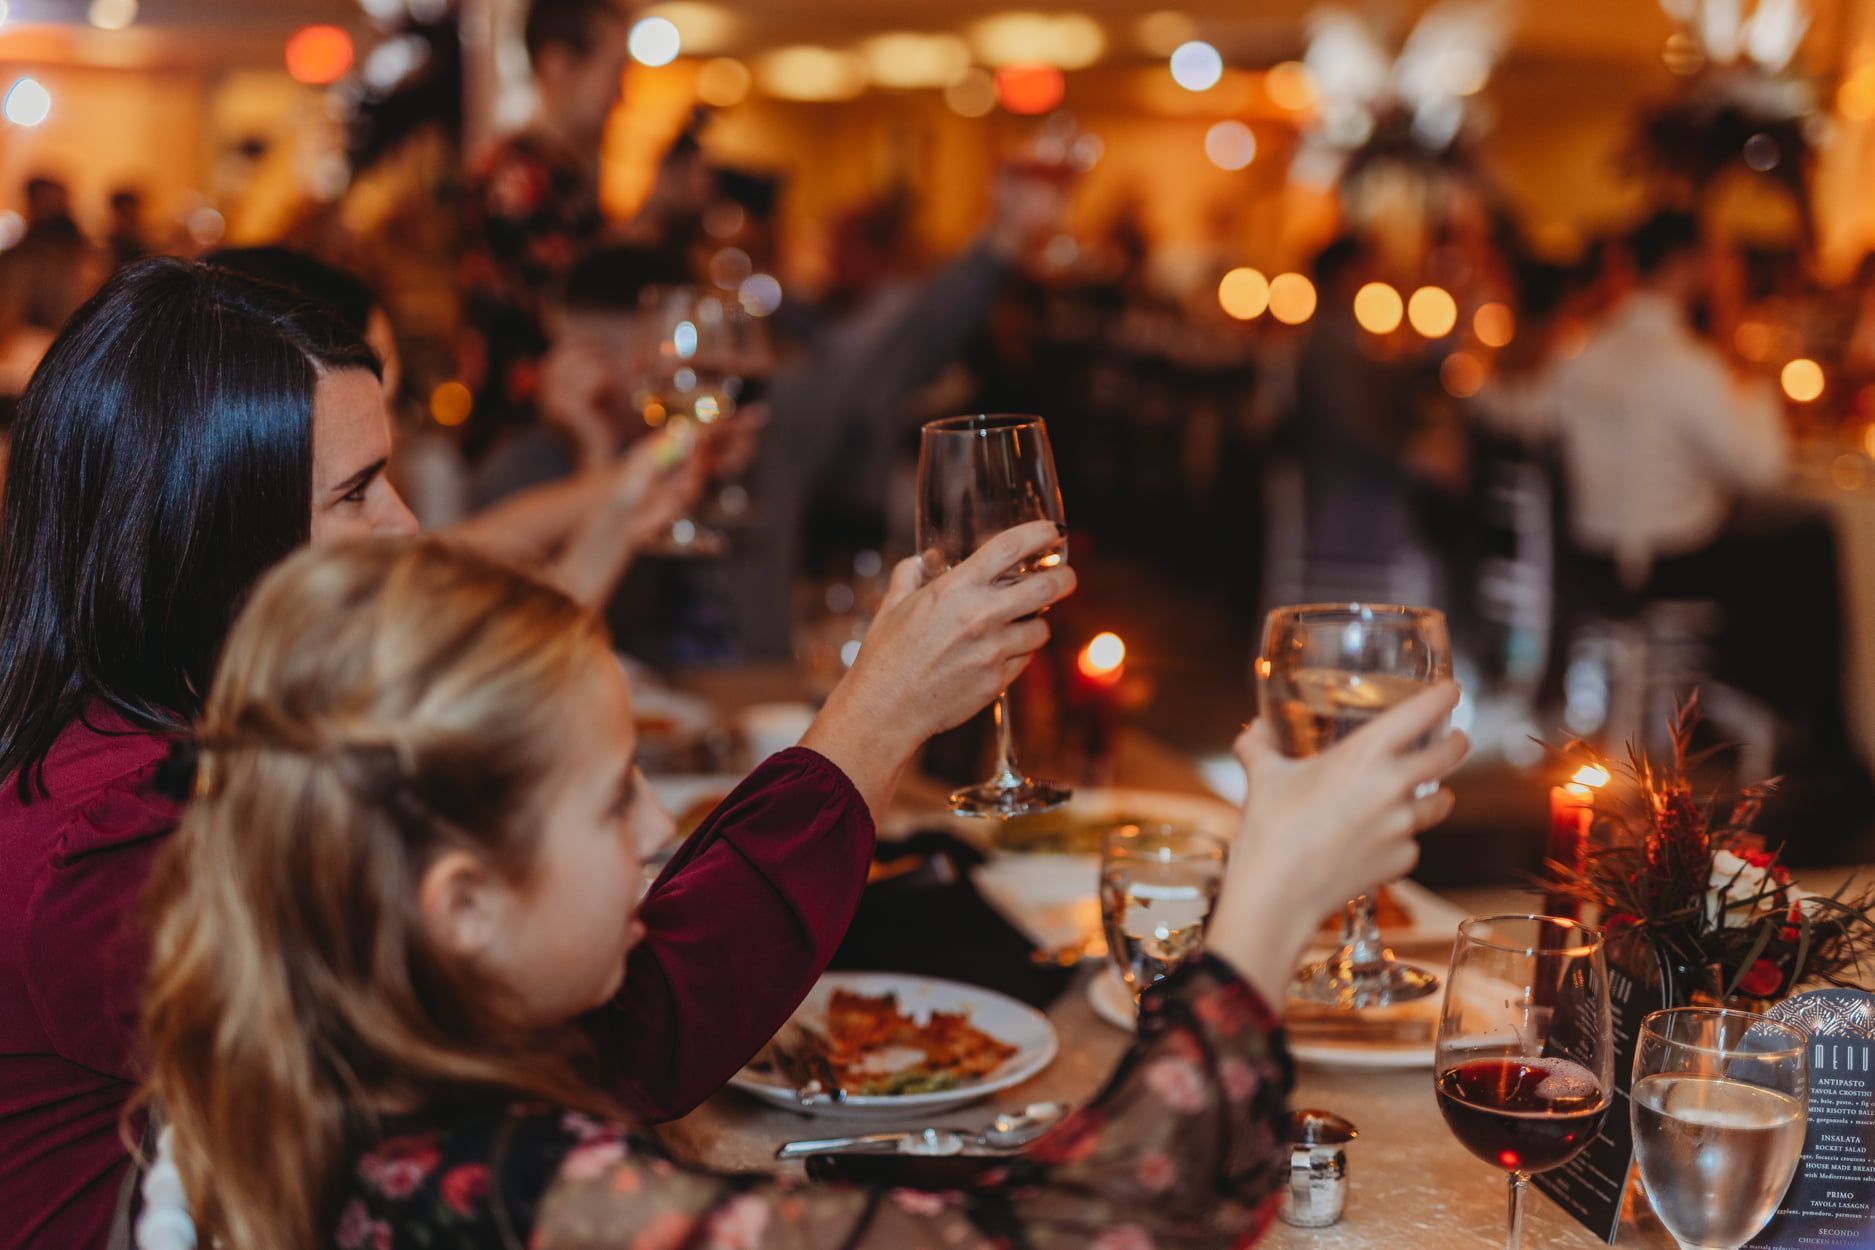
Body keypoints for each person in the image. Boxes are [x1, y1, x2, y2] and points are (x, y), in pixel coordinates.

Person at [0, 258, 1071, 1248]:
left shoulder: (185, 731)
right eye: (357, 490)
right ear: (206, 542)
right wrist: (872, 725)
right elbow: (601, 1044)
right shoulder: (110, 852)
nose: (407, 527)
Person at [143, 536, 1467, 1250]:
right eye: (613, 797)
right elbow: (1114, 1222)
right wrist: (1268, 900)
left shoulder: (327, 1078)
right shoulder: (515, 1195)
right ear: (461, 908)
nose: (659, 827)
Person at [458, 0, 631, 449]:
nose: (622, 93)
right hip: (527, 438)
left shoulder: (567, 176)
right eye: (615, 70)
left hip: (561, 430)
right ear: (557, 65)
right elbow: (577, 312)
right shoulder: (515, 177)